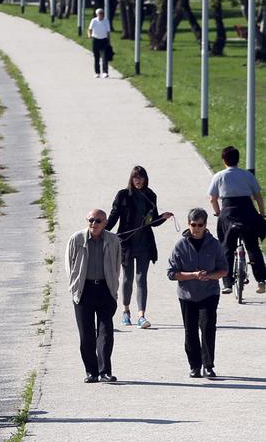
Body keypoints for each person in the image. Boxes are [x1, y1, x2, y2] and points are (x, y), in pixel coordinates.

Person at [106, 166, 173, 328]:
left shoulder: (150, 195)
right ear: (131, 179)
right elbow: (114, 216)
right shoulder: (123, 195)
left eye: (141, 177)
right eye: (135, 177)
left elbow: (152, 221)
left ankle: (141, 315)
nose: (138, 180)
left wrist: (163, 218)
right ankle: (126, 312)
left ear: (145, 179)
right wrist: (102, 229)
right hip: (126, 244)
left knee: (141, 279)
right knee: (128, 279)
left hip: (145, 244)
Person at [168, 208, 228, 378]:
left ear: (205, 225)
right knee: (190, 330)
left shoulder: (214, 244)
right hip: (187, 295)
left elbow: (224, 270)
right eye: (193, 225)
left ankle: (208, 365)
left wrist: (208, 276)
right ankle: (195, 365)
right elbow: (171, 273)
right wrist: (192, 275)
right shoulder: (180, 245)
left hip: (209, 293)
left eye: (200, 225)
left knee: (208, 327)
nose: (196, 228)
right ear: (189, 224)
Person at [67, 208, 122, 382]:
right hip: (84, 290)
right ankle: (91, 371)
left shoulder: (113, 240)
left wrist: (113, 287)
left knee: (106, 333)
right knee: (86, 334)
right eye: (91, 220)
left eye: (98, 221)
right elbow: (70, 265)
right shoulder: (77, 239)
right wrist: (75, 286)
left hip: (105, 290)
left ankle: (105, 370)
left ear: (105, 223)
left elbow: (117, 265)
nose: (94, 224)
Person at [209, 145, 266, 294]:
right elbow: (258, 196)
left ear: (223, 160)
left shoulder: (219, 176)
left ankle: (227, 283)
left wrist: (218, 213)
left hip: (228, 213)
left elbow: (213, 199)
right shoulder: (247, 175)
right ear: (238, 159)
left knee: (227, 247)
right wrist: (261, 213)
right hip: (247, 212)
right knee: (253, 247)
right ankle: (261, 280)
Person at [89, 8, 113, 77]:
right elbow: (90, 29)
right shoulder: (94, 21)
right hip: (96, 39)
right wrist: (90, 35)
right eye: (100, 13)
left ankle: (105, 72)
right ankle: (97, 72)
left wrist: (109, 40)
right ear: (97, 14)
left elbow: (108, 31)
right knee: (96, 56)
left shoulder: (106, 21)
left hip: (104, 39)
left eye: (102, 13)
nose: (101, 15)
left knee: (105, 56)